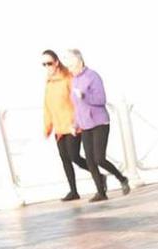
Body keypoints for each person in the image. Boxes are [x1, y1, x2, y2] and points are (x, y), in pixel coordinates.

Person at [63, 49, 130, 202]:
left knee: (99, 158)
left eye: (72, 65)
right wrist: (74, 124)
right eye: (69, 67)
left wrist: (85, 96)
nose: (70, 69)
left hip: (99, 122)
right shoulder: (74, 80)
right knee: (90, 160)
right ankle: (101, 192)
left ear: (79, 62)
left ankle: (122, 178)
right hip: (85, 125)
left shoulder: (92, 76)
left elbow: (101, 100)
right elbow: (77, 106)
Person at [42, 49, 88, 201]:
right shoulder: (48, 83)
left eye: (49, 63)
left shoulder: (68, 78)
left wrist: (77, 121)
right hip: (59, 128)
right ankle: (73, 191)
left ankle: (99, 176)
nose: (47, 67)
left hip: (72, 125)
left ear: (56, 62)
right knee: (65, 159)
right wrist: (47, 126)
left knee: (74, 156)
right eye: (44, 64)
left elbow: (77, 101)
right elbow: (47, 106)